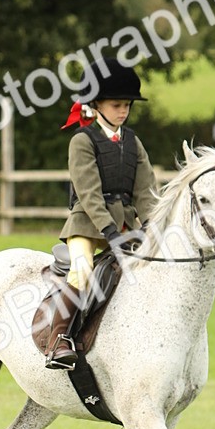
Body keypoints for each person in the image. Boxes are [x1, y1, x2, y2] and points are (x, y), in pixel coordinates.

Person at [45, 57, 157, 369]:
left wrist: (150, 225)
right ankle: (59, 339)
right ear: (96, 103)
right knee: (82, 271)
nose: (123, 110)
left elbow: (146, 190)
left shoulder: (133, 142)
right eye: (117, 104)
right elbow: (89, 192)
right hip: (86, 224)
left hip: (124, 227)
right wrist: (109, 232)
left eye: (127, 105)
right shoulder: (82, 141)